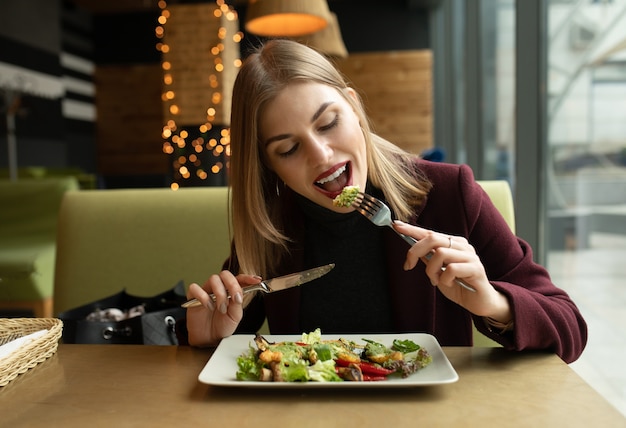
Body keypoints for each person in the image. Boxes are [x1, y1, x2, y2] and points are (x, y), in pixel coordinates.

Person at [185, 39, 587, 363]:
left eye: (329, 123)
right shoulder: (270, 228)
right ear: (269, 166)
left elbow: (570, 330)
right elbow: (232, 346)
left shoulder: (450, 194)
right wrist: (206, 341)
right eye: (288, 148)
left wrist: (494, 303)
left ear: (354, 107)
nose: (322, 155)